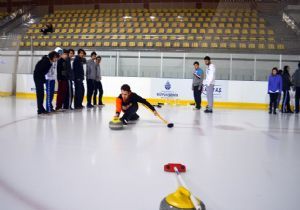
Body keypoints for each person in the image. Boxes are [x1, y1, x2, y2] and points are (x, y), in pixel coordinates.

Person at [45, 47, 63, 112]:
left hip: (53, 79)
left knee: (52, 94)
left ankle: (50, 107)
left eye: (61, 54)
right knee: (49, 94)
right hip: (49, 79)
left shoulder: (56, 61)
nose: (60, 55)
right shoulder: (50, 59)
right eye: (59, 53)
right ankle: (48, 109)